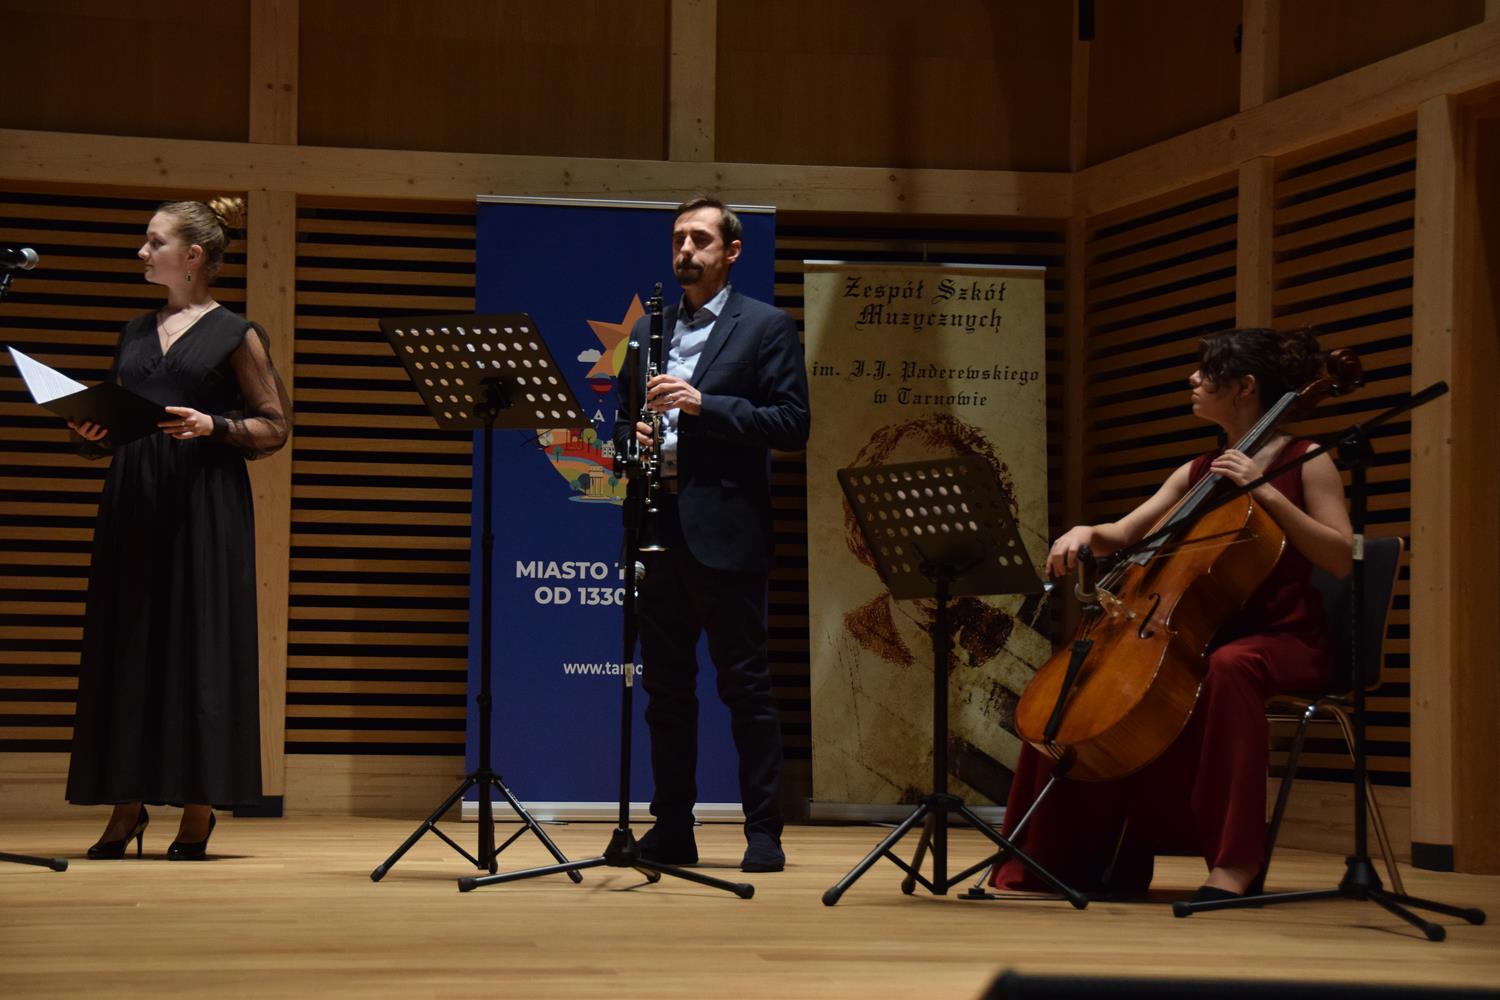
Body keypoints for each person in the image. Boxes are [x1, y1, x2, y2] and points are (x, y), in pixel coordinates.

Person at [992, 326, 1353, 901]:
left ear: (1245, 387)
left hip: (1282, 640)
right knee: (1084, 684)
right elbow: (1125, 533)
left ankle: (1235, 865)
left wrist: (1264, 491)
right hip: (1194, 635)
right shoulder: (1198, 470)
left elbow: (1338, 556)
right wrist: (1085, 532)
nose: (1193, 379)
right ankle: (1056, 860)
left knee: (1230, 669)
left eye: (1207, 372)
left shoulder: (1307, 461)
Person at [65, 197, 291, 861]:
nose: (142, 252)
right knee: (129, 647)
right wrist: (91, 433)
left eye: (153, 242)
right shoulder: (135, 332)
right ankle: (126, 806)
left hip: (203, 503)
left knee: (201, 650)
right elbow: (117, 422)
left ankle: (198, 809)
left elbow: (274, 426)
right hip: (134, 496)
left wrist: (213, 425)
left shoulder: (235, 333)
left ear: (192, 256)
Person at [614, 195, 810, 873]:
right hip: (656, 528)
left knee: (745, 688)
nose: (685, 250)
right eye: (678, 239)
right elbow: (625, 425)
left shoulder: (766, 327)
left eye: (700, 239)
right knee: (666, 693)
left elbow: (792, 424)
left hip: (727, 534)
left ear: (731, 252)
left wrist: (705, 405)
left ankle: (763, 831)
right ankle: (673, 828)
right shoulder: (648, 331)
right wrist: (632, 440)